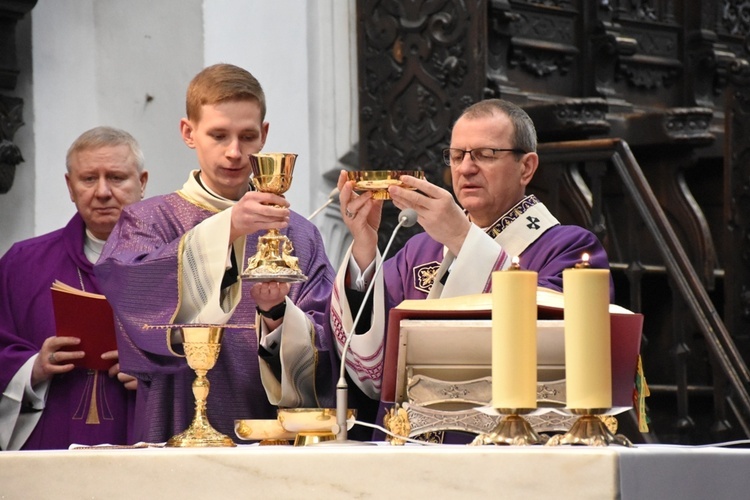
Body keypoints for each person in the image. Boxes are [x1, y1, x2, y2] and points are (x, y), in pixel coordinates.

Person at [94, 63, 337, 444]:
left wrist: (276, 317)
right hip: (174, 424)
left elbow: (328, 341)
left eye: (247, 136)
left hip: (271, 437)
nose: (234, 152)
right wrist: (228, 229)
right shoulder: (148, 220)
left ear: (265, 135)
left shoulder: (299, 234)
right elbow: (130, 293)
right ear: (189, 133)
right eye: (219, 135)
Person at [331, 98, 613, 402]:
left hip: (502, 438)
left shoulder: (569, 249)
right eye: (456, 156)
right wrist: (364, 247)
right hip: (407, 436)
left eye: (486, 154)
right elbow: (369, 355)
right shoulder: (420, 249)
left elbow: (555, 346)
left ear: (526, 168)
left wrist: (461, 237)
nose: (465, 169)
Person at [0, 126, 147, 450]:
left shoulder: (173, 263)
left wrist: (156, 378)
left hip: (146, 444)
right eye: (89, 179)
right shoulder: (22, 264)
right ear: (70, 186)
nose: (103, 191)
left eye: (117, 177)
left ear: (142, 183)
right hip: (48, 444)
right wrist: (33, 367)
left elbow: (208, 355)